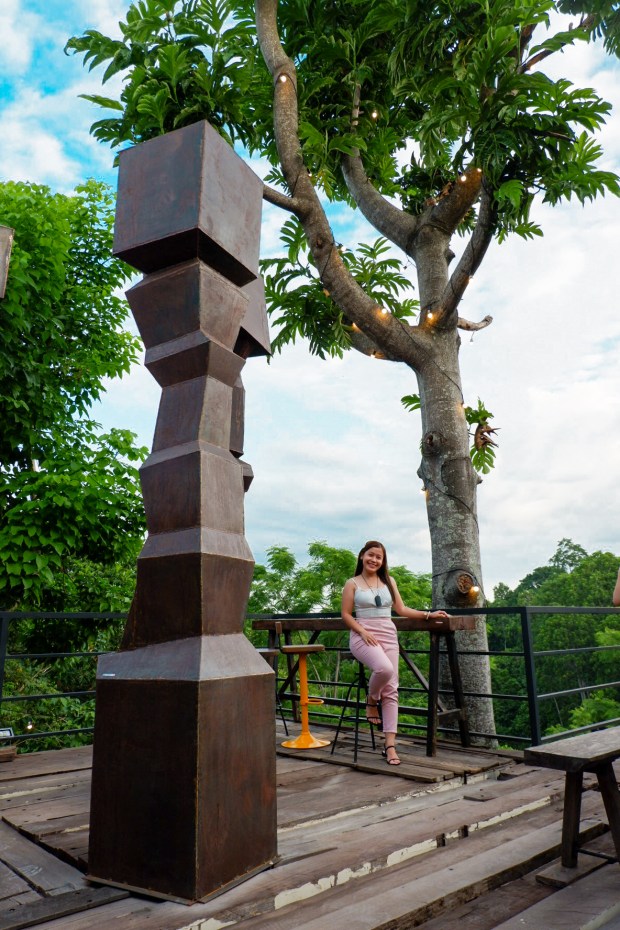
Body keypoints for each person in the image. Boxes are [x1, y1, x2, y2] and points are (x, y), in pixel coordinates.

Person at [341, 540, 450, 766]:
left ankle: (390, 745)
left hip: (388, 634)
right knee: (384, 669)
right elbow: (346, 614)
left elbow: (401, 609)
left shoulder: (389, 581)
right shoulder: (352, 583)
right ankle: (372, 700)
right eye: (370, 555)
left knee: (391, 689)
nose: (374, 560)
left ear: (383, 561)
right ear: (362, 556)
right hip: (363, 635)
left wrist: (428, 615)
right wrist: (362, 631)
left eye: (378, 557)